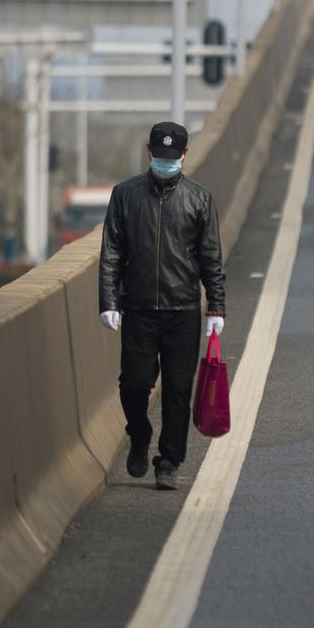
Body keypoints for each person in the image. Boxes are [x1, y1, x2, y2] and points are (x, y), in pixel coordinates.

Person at [99, 121, 226, 490]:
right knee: (135, 385)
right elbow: (111, 253)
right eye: (161, 155)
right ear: (149, 152)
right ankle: (139, 435)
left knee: (178, 389)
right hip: (137, 310)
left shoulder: (199, 199)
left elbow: (210, 258)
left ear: (184, 155)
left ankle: (169, 460)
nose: (167, 162)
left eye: (174, 156)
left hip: (182, 311)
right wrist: (109, 301)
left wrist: (215, 306)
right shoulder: (125, 195)